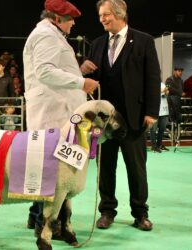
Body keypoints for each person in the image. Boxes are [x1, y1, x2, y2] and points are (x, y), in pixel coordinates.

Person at [80, 0, 160, 231]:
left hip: (134, 118)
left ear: (119, 15)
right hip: (103, 121)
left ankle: (140, 213)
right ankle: (107, 211)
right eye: (100, 15)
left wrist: (151, 112)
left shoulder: (144, 40)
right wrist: (82, 69)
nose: (102, 19)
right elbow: (88, 74)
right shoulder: (96, 44)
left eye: (106, 15)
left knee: (136, 168)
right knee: (105, 168)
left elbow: (152, 78)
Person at [23, 0, 99, 238]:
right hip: (52, 114)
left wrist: (78, 70)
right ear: (57, 19)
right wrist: (81, 81)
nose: (73, 23)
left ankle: (36, 215)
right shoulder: (47, 36)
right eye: (70, 19)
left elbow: (54, 68)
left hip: (55, 110)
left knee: (48, 168)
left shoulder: (49, 34)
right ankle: (45, 223)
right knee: (52, 170)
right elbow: (44, 71)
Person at [150, 83, 169, 153]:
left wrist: (166, 92)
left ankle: (159, 145)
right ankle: (153, 147)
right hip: (154, 111)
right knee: (153, 130)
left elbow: (167, 94)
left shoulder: (163, 85)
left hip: (164, 111)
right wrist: (160, 91)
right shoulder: (151, 85)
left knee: (162, 129)